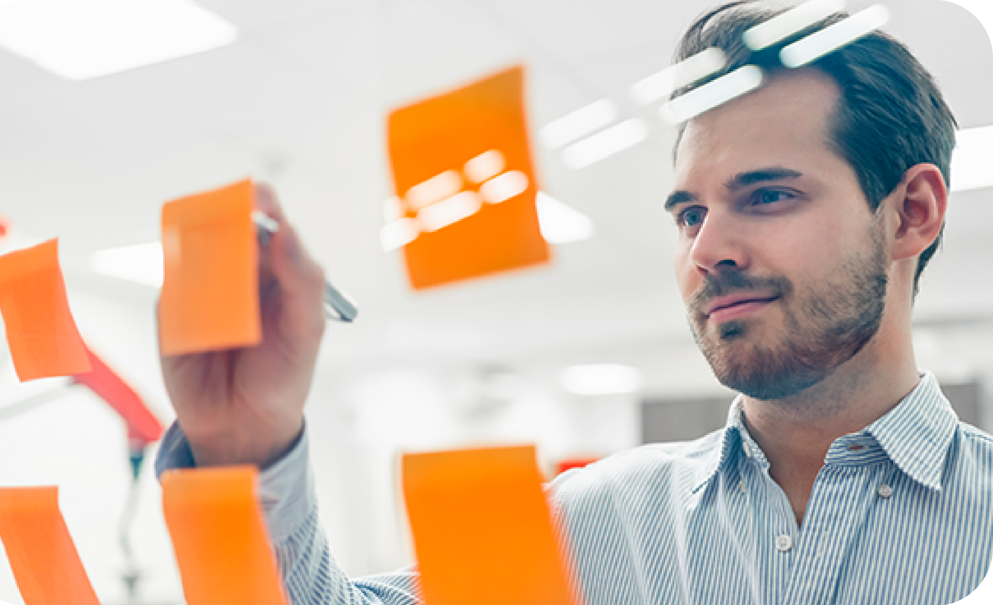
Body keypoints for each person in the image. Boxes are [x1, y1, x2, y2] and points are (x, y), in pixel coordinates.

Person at [155, 2, 992, 603]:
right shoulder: (592, 518)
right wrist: (244, 451)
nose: (706, 250)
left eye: (767, 195)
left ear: (911, 212)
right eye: (690, 213)